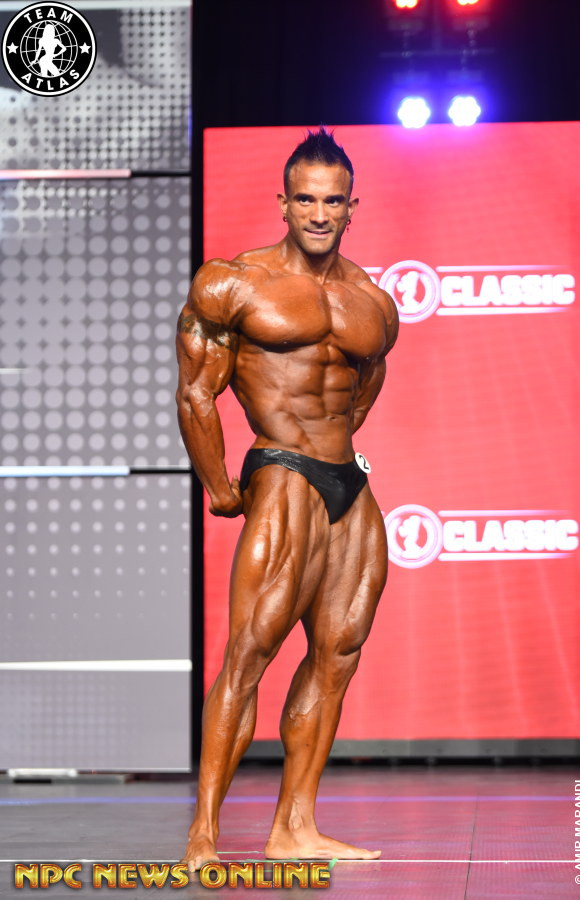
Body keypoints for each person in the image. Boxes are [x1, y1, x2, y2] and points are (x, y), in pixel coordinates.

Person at [175, 127, 398, 868]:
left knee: (338, 656)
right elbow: (196, 392)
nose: (319, 213)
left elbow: (364, 387)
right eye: (305, 199)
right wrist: (220, 485)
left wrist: (338, 445)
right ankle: (204, 833)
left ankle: (294, 826)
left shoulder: (373, 300)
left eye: (333, 201)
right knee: (249, 653)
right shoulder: (233, 283)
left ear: (352, 207)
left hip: (349, 486)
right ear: (283, 202)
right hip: (282, 471)